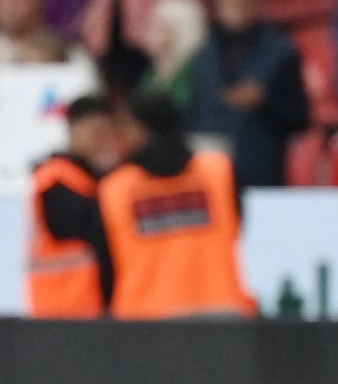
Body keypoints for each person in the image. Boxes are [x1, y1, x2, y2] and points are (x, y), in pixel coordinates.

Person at [92, 92, 255, 320]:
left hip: (144, 320)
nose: (122, 136)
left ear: (144, 129)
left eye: (127, 127)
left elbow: (104, 266)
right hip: (221, 313)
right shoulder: (219, 170)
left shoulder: (115, 188)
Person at [187, 0, 309, 189]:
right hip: (209, 176)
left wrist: (265, 101)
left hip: (260, 172)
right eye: (228, 1)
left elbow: (300, 118)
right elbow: (191, 114)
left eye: (242, 1)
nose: (235, 9)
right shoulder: (202, 54)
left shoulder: (281, 52)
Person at [27, 95, 119, 319]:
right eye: (95, 132)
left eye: (107, 134)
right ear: (73, 130)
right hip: (66, 307)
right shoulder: (55, 178)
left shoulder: (97, 180)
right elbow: (76, 228)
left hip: (94, 306)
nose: (102, 141)